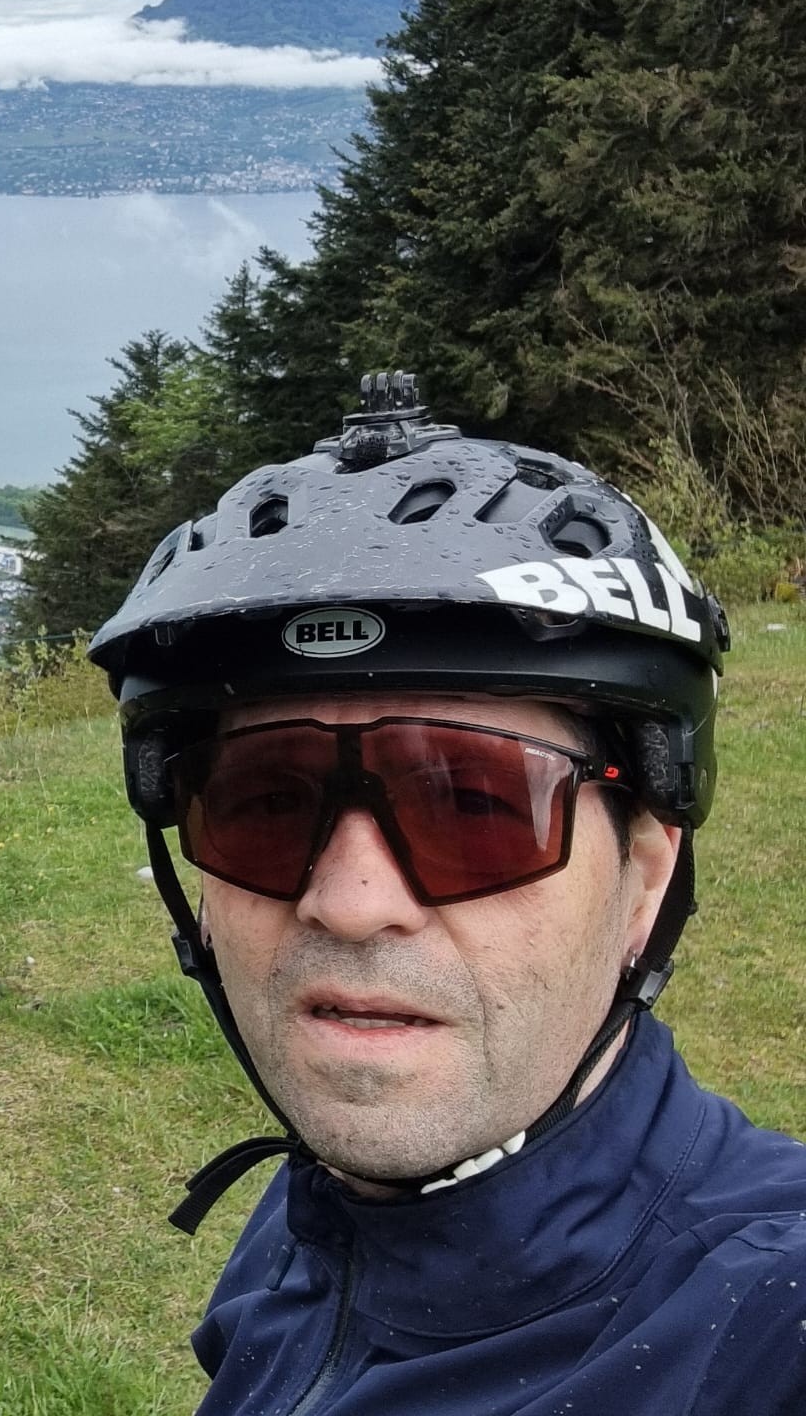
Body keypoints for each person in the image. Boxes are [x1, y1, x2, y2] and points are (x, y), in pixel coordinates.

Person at [86, 373, 806, 1414]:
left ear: (643, 873)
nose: (349, 901)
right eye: (263, 804)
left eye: (472, 809)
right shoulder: (312, 1217)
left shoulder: (762, 1322)